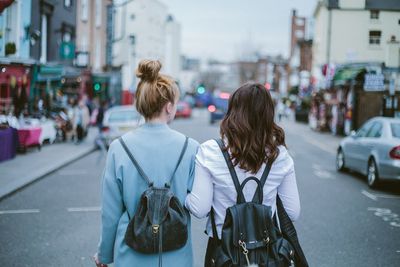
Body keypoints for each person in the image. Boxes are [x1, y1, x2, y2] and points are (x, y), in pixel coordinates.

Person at [94, 60, 199, 267]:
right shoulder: (191, 147)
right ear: (169, 107)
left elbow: (110, 213)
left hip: (131, 255)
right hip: (177, 257)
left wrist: (105, 256)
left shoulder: (119, 147)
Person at [185, 82, 301, 266]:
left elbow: (200, 209)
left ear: (232, 112)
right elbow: (292, 213)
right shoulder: (280, 156)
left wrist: (185, 196)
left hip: (223, 253)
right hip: (267, 252)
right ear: (268, 114)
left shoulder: (210, 151)